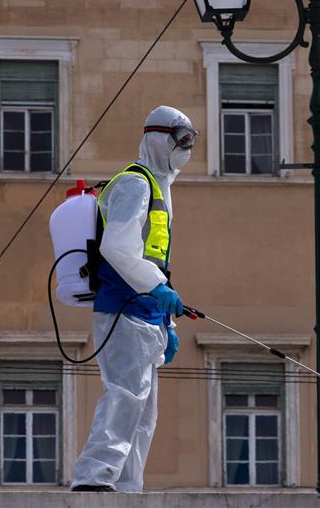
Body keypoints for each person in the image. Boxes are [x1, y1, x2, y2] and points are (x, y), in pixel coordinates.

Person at [71, 106, 197, 493]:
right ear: (159, 139)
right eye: (182, 141)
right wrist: (157, 290)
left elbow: (157, 264)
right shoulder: (134, 184)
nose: (186, 150)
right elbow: (119, 248)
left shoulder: (160, 190)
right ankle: (94, 478)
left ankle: (126, 485)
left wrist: (167, 322)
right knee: (125, 395)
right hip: (123, 306)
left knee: (143, 409)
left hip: (145, 313)